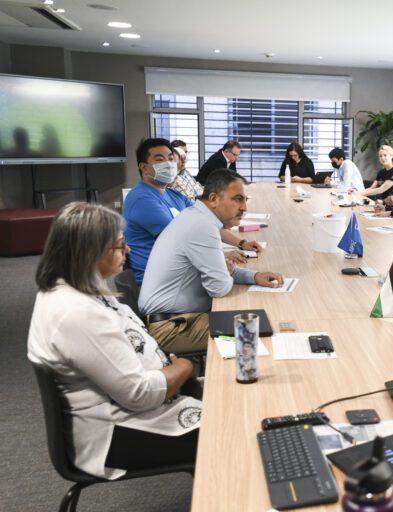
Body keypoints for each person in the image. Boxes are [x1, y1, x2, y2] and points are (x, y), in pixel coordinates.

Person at [28, 202, 200, 479]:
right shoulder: (76, 313)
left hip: (126, 411)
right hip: (114, 434)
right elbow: (141, 395)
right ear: (90, 253)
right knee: (232, 429)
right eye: (119, 246)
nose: (128, 251)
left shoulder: (74, 289)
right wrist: (185, 368)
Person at [139, 170, 284, 354]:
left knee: (258, 321)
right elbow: (219, 287)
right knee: (256, 331)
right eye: (237, 199)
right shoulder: (202, 225)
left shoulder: (197, 217)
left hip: (178, 318)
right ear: (214, 198)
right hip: (171, 327)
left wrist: (255, 276)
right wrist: (228, 273)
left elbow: (220, 270)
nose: (244, 207)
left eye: (245, 200)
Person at [124, 139, 259, 283]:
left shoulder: (172, 194)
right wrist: (221, 254)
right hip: (158, 282)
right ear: (144, 168)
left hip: (180, 272)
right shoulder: (142, 200)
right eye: (160, 159)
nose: (169, 164)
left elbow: (207, 221)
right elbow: (181, 242)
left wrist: (242, 243)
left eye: (170, 158)